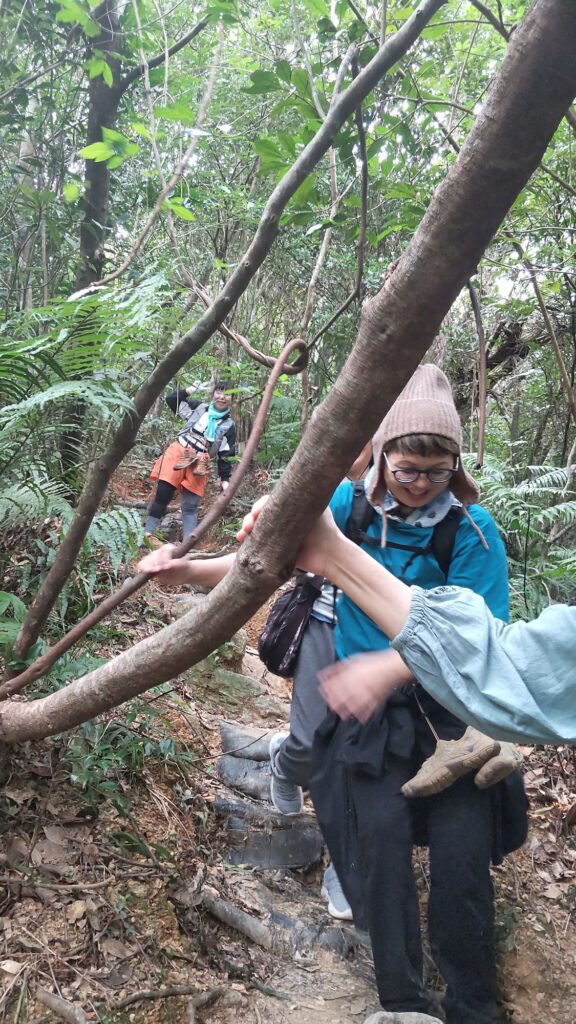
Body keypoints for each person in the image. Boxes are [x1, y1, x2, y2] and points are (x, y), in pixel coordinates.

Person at [301, 365, 526, 1024]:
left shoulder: (471, 531)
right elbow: (273, 555)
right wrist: (191, 570)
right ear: (382, 456)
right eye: (406, 469)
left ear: (455, 467)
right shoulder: (347, 507)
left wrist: (389, 667)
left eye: (437, 471)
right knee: (380, 846)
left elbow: (480, 638)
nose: (421, 484)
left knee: (461, 861)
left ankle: (473, 1006)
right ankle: (402, 1001)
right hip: (370, 719)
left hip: (453, 720)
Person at [144, 381, 236, 540]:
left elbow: (225, 453)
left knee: (191, 506)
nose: (222, 397)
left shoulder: (229, 425)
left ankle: (187, 545)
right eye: (219, 392)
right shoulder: (199, 408)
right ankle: (147, 535)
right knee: (163, 495)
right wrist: (190, 390)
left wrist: (225, 479)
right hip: (179, 451)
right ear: (213, 394)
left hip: (201, 462)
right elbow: (171, 399)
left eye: (227, 394)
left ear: (232, 399)